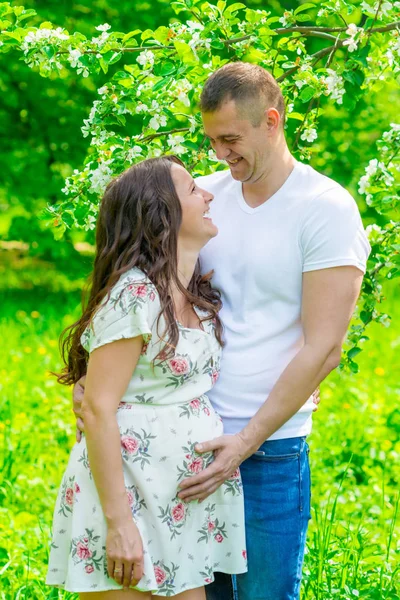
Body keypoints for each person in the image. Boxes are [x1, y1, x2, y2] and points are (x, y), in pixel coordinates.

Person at [74, 63, 371, 600]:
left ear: (272, 121)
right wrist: (92, 385)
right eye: (211, 140)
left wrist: (243, 444)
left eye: (230, 139)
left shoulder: (325, 210)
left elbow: (324, 346)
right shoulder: (200, 202)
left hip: (267, 451)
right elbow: (128, 287)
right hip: (175, 447)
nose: (219, 155)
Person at [46, 155, 247, 599]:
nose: (208, 195)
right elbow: (98, 407)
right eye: (194, 190)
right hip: (128, 497)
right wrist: (119, 524)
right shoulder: (134, 294)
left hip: (182, 502)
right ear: (162, 215)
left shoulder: (195, 294)